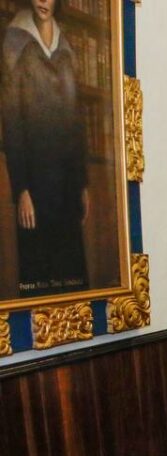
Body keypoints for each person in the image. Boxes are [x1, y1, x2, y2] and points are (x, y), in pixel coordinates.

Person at [2, 0, 89, 298]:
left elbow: (76, 121)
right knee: (39, 272)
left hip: (66, 184)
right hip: (35, 183)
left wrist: (82, 184)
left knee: (71, 271)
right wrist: (21, 190)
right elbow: (12, 124)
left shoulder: (67, 51)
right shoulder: (15, 44)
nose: (43, 0)